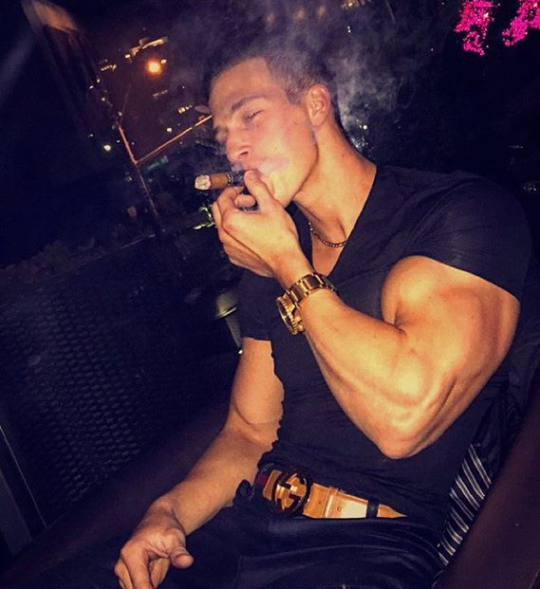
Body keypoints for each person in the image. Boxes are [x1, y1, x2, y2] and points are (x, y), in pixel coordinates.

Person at [36, 34, 537, 589]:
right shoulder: (271, 257)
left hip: (364, 549)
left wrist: (287, 266)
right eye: (222, 135)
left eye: (250, 116)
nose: (234, 149)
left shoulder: (458, 214)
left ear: (316, 104)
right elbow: (251, 431)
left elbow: (403, 421)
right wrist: (169, 513)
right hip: (248, 530)